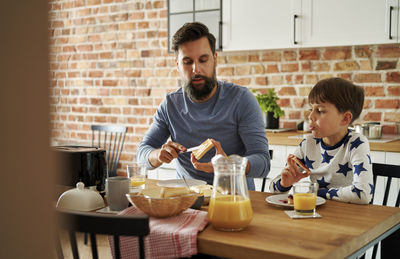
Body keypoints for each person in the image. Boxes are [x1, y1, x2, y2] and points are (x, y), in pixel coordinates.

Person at [137, 22, 270, 191]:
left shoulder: (241, 100)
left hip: (233, 199)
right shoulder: (170, 105)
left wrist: (230, 165)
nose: (196, 69)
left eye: (203, 60)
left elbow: (263, 163)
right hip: (187, 199)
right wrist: (158, 155)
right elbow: (142, 154)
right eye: (187, 61)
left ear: (214, 59)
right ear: (177, 64)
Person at [269, 77, 373, 204]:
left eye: (320, 111)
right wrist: (284, 183)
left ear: (345, 119)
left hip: (348, 217)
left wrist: (315, 192)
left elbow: (362, 194)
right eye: (311, 109)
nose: (311, 116)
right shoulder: (308, 143)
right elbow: (273, 189)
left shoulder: (356, 143)